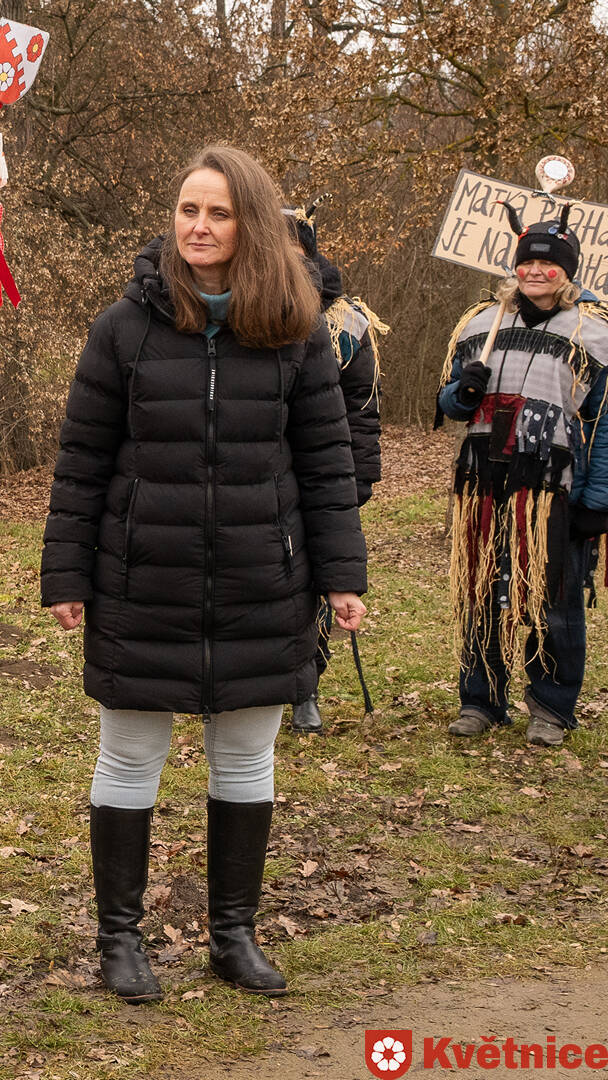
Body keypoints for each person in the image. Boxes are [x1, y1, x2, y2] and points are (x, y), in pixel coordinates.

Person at [40, 146, 368, 1002]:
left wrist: (342, 574)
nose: (198, 226)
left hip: (265, 579)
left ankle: (233, 937)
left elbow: (327, 463)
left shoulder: (297, 330)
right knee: (130, 756)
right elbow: (82, 461)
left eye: (218, 213)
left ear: (249, 223)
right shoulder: (124, 327)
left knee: (246, 757)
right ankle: (120, 940)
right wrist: (67, 575)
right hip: (142, 578)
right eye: (188, 209)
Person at [435, 206, 608, 749]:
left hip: (553, 489)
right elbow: (448, 406)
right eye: (527, 262)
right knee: (481, 587)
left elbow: (604, 424)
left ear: (567, 270)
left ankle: (551, 705)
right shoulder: (480, 325)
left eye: (548, 264)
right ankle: (479, 698)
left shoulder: (593, 333)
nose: (535, 271)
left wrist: (598, 500)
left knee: (552, 598)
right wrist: (463, 391)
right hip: (483, 482)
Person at [285, 206, 388, 733]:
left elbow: (363, 409)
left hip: (324, 472)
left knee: (317, 580)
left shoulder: (348, 322)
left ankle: (307, 685)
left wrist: (359, 477)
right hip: (262, 472)